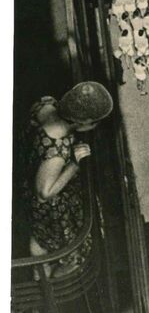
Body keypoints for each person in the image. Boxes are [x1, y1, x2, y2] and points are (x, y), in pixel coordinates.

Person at [23, 84, 113, 278]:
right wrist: (74, 163)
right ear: (84, 122)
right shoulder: (58, 147)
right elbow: (45, 192)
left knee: (38, 238)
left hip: (27, 181)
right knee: (77, 246)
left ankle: (40, 271)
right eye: (95, 122)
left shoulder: (45, 104)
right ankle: (56, 280)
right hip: (49, 209)